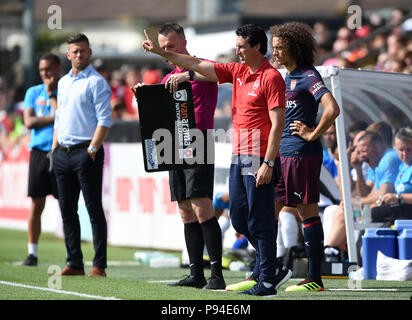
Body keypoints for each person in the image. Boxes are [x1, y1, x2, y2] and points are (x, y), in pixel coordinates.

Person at [142, 23, 288, 297]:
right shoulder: (238, 71)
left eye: (242, 47)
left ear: (257, 46)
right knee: (239, 220)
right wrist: (162, 53)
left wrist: (269, 163)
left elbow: (278, 122)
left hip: (258, 152)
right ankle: (272, 266)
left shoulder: (271, 77)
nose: (237, 52)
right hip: (239, 153)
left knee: (259, 220)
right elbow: (196, 63)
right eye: (236, 47)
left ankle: (268, 280)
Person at [134, 22, 225, 290]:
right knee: (185, 211)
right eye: (164, 48)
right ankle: (196, 273)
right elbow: (160, 114)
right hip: (174, 142)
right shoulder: (167, 79)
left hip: (198, 139)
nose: (167, 51)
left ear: (184, 41)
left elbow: (216, 75)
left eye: (171, 46)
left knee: (202, 206)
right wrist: (143, 96)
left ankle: (216, 275)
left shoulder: (203, 66)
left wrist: (187, 75)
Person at [270, 22, 340, 292]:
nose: (274, 52)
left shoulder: (308, 75)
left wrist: (313, 134)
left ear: (294, 48)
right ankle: (267, 269)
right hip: (281, 154)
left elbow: (332, 109)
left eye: (279, 47)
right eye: (273, 47)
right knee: (269, 211)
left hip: (301, 155)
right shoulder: (283, 77)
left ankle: (314, 278)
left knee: (306, 212)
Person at [52, 33, 113, 277]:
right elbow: (60, 117)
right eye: (75, 51)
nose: (79, 55)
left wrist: (92, 149)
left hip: (86, 152)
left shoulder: (97, 82)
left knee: (93, 208)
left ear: (90, 52)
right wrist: (54, 147)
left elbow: (105, 120)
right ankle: (74, 262)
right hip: (62, 153)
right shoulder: (63, 82)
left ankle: (99, 265)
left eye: (83, 51)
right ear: (68, 55)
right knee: (67, 210)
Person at [21, 53, 61, 266]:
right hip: (38, 152)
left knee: (66, 204)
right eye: (42, 70)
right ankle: (32, 253)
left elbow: (63, 117)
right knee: (36, 204)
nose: (46, 74)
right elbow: (29, 122)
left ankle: (71, 255)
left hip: (60, 152)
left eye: (49, 69)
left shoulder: (64, 90)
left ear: (58, 68)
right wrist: (54, 117)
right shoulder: (32, 92)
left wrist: (52, 100)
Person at [371, 127, 412, 224]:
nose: (405, 153)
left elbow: (398, 196)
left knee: (374, 214)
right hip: (400, 211)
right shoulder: (403, 166)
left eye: (409, 149)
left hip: (407, 212)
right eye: (401, 150)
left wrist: (398, 197)